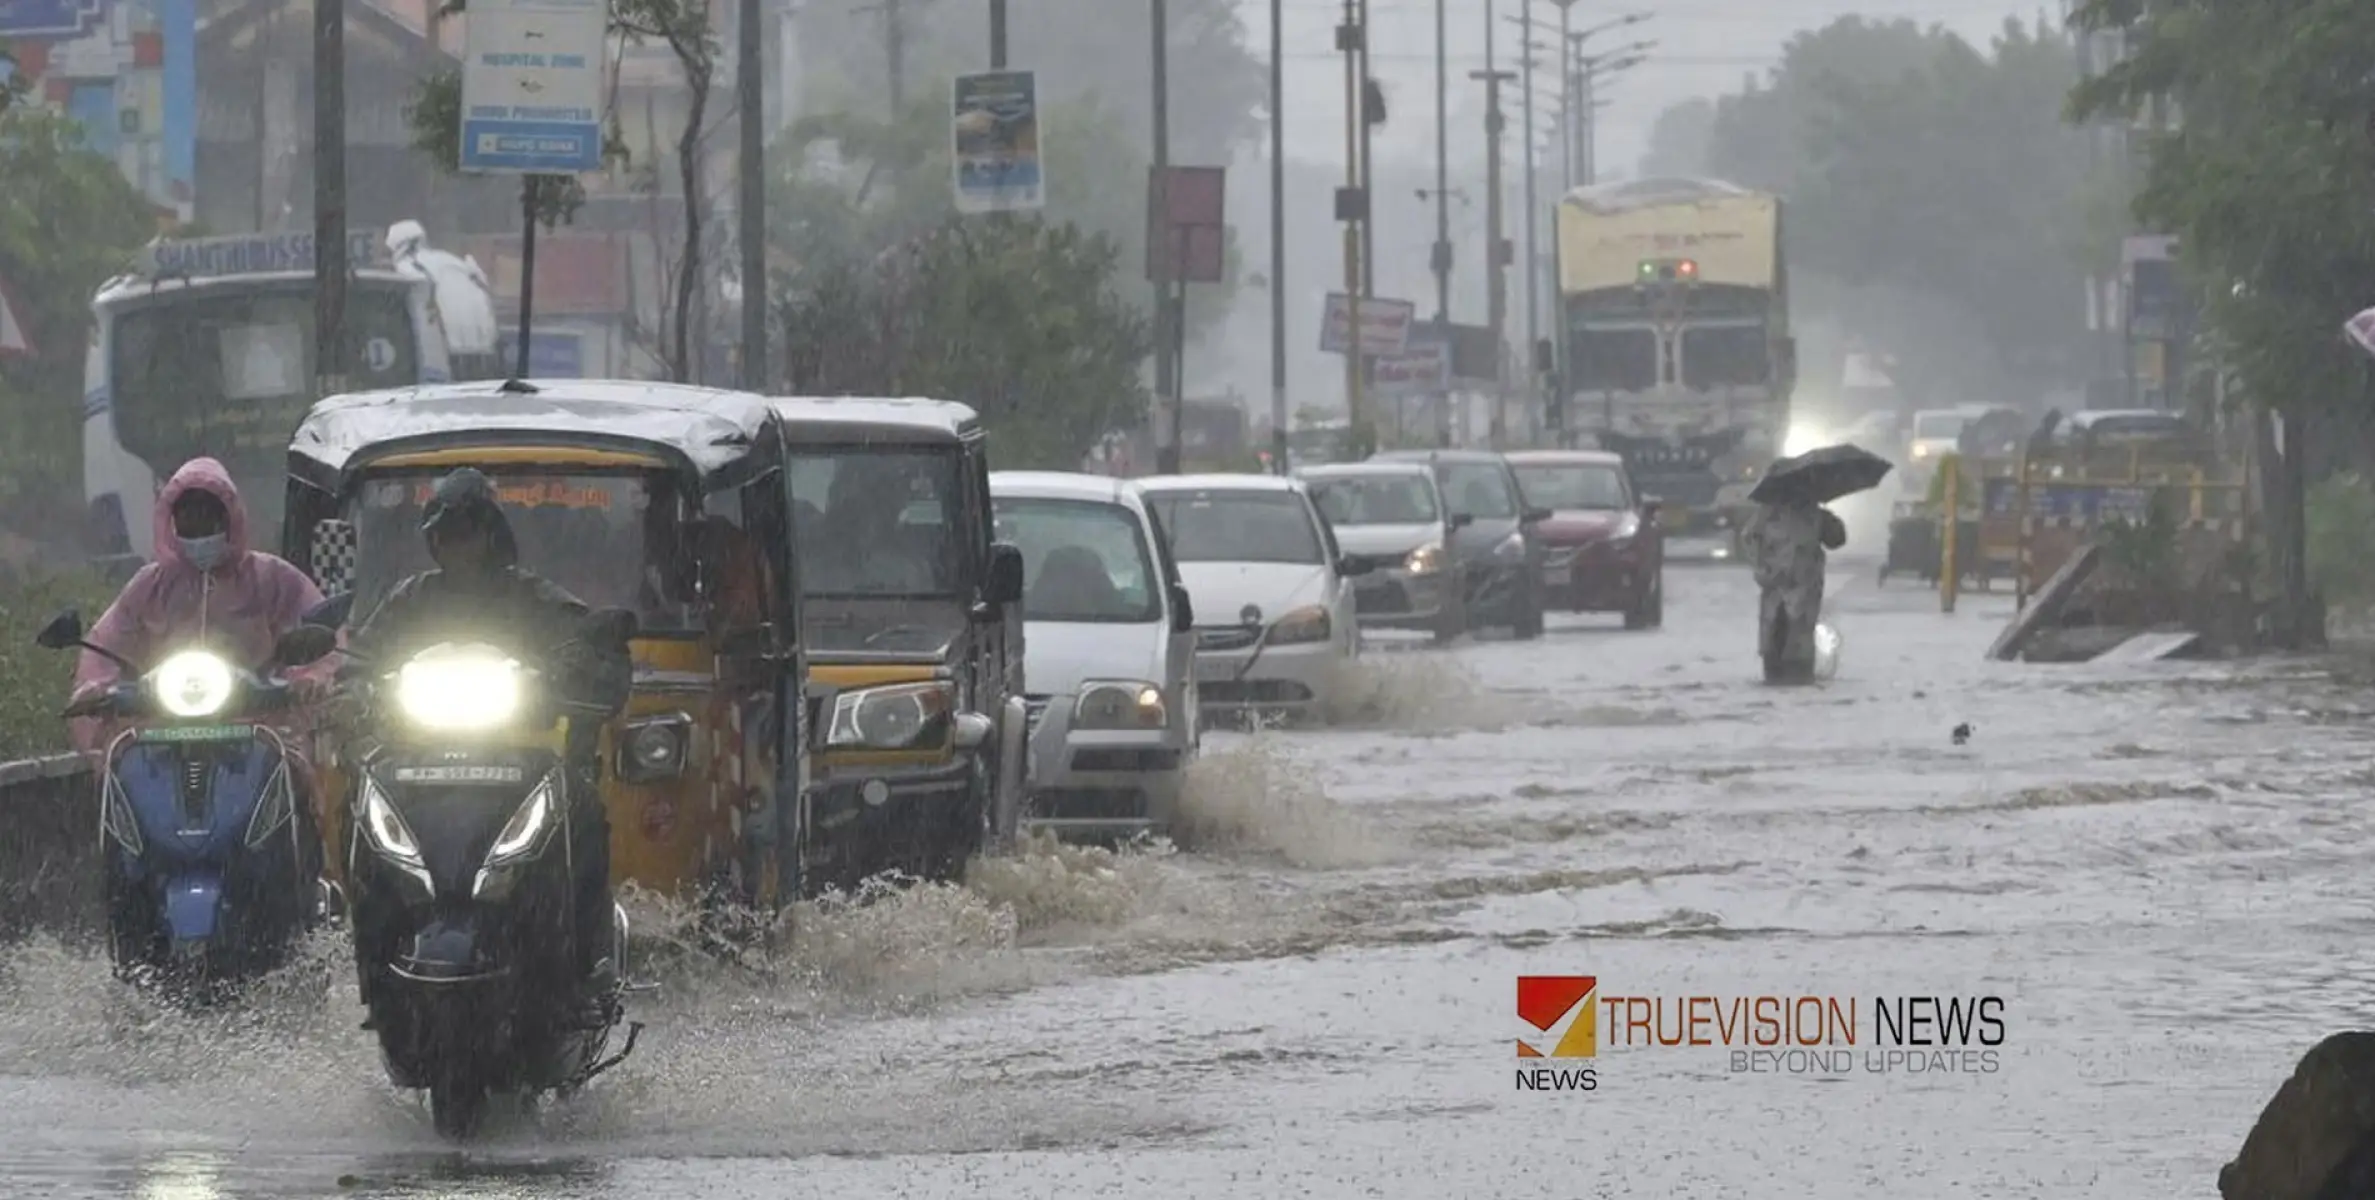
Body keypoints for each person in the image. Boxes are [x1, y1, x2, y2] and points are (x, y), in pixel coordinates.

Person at [345, 467, 633, 983]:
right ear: (432, 540)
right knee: (363, 805)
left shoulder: (529, 597)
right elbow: (362, 656)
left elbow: (586, 641)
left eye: (467, 532)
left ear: (491, 535)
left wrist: (583, 666)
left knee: (583, 810)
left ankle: (593, 962)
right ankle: (369, 963)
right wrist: (353, 687)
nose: (457, 546)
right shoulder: (412, 599)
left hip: (521, 755)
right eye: (446, 534)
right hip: (418, 762)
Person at [69, 458, 330, 761]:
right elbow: (105, 644)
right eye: (189, 520)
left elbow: (319, 628)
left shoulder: (273, 579)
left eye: (208, 518)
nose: (199, 529)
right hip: (159, 743)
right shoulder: (149, 588)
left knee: (308, 791)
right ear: (172, 523)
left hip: (263, 740)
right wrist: (96, 687)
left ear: (230, 518)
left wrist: (310, 679)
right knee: (120, 789)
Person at [1743, 497, 1847, 684]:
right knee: (1796, 651)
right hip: (1795, 592)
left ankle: (1780, 676)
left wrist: (1761, 569)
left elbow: (1749, 543)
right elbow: (1838, 539)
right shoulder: (1812, 515)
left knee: (1778, 650)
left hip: (1781, 592)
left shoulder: (1763, 516)